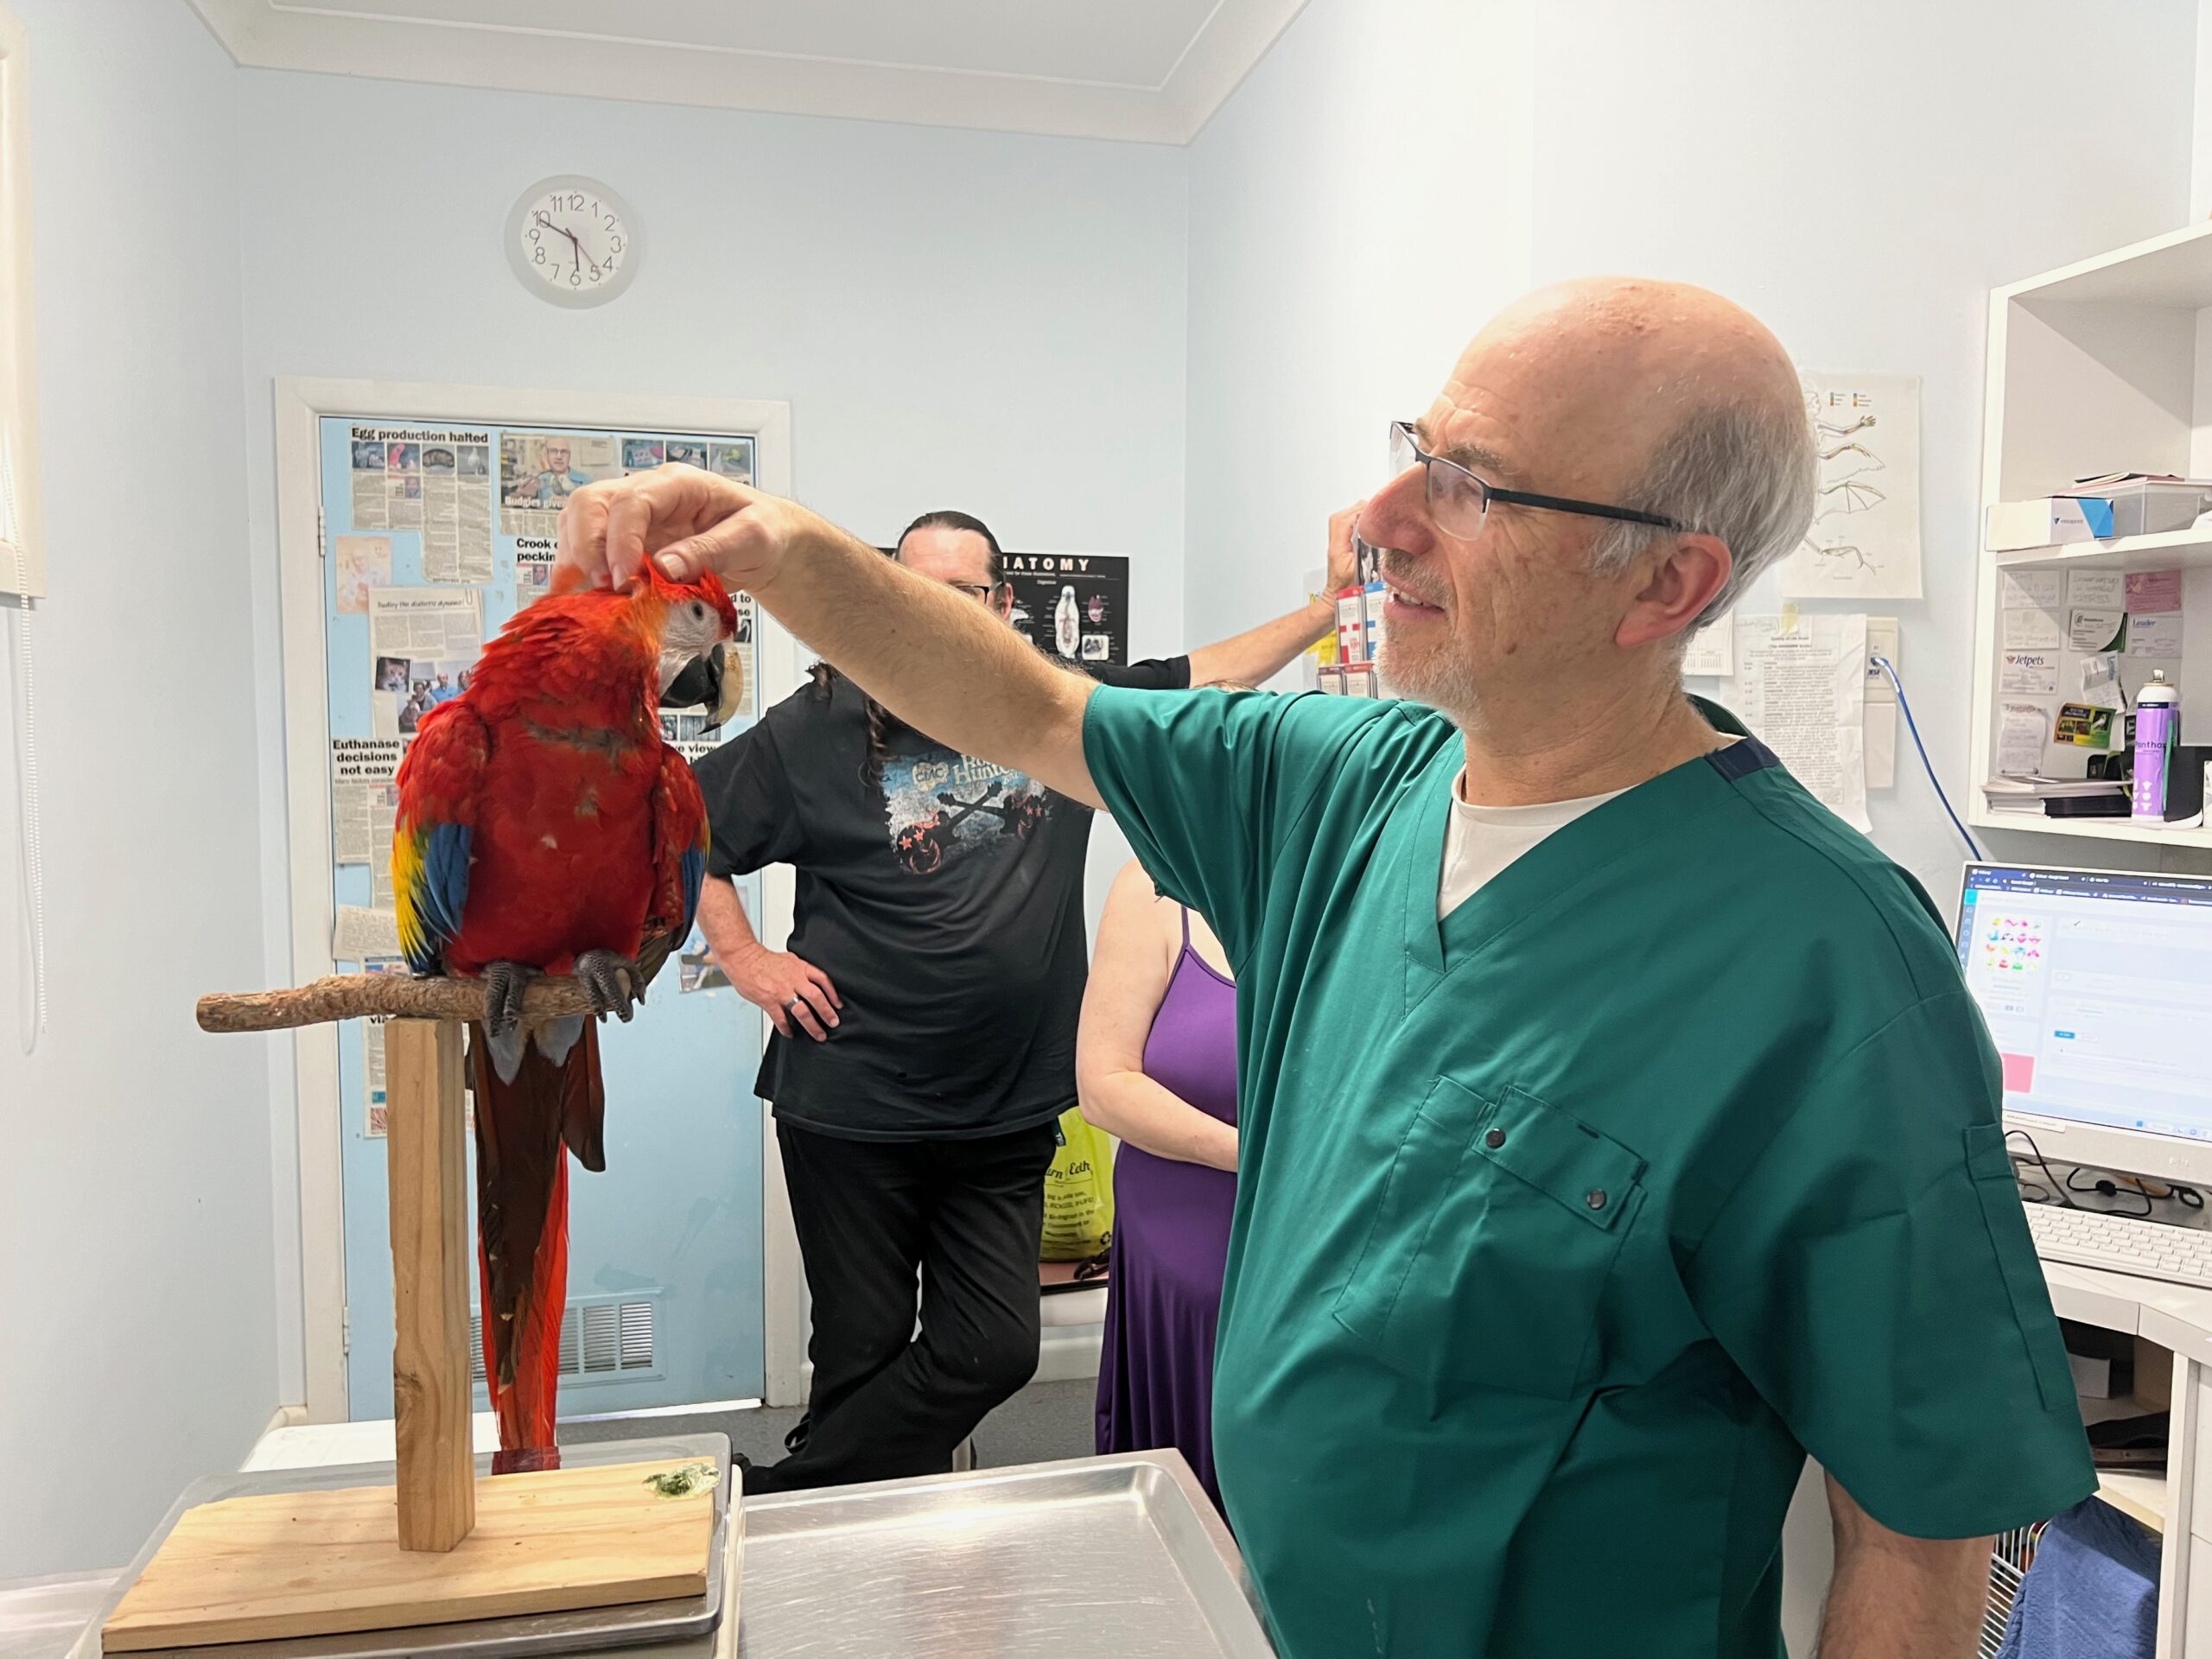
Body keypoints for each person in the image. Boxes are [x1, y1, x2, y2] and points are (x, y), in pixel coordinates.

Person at [557, 277, 2093, 1658]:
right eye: (1415, 447)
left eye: (1471, 487)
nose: (1381, 519)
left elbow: (1921, 1525)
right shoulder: (1333, 786)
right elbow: (1025, 708)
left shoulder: (1825, 966)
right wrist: (784, 551)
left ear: (1667, 588)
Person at [683, 506, 1357, 1495]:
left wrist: (1326, 610)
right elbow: (683, 829)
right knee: (861, 1348)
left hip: (1003, 1106)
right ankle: (854, 1562)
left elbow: (1199, 680)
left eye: (957, 595)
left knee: (993, 1348)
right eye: (910, 592)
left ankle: (783, 1492)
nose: (930, 615)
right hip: (851, 1101)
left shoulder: (1060, 709)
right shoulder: (816, 722)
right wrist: (744, 958)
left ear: (1001, 606)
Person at [1077, 858, 1239, 1507]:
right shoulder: (1152, 887)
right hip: (1186, 1234)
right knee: (1198, 1484)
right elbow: (1104, 1088)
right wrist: (1255, 1155)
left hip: (1328, 1224)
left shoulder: (1358, 875)